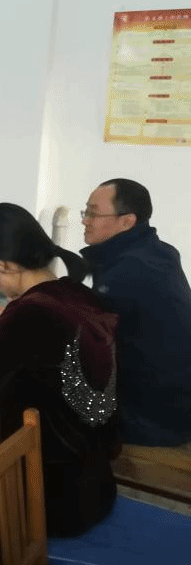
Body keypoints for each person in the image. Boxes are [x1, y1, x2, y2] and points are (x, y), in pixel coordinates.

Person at [0, 203, 119, 537]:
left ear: (1, 264)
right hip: (97, 484)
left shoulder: (30, 313)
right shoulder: (79, 294)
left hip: (51, 503)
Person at [79, 178, 191, 447]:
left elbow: (79, 330)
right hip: (177, 404)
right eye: (86, 211)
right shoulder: (158, 252)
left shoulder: (129, 270)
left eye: (93, 214)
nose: (84, 221)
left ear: (127, 222)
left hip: (153, 419)